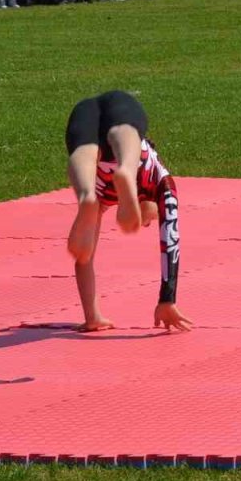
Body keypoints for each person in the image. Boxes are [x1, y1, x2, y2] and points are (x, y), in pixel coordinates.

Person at [64, 90, 191, 333]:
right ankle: (126, 172)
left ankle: (86, 193)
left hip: (87, 122)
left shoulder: (101, 201)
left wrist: (92, 317)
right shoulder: (162, 184)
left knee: (90, 150)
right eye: (151, 220)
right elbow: (170, 241)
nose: (148, 223)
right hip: (125, 141)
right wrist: (167, 300)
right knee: (124, 135)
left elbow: (83, 258)